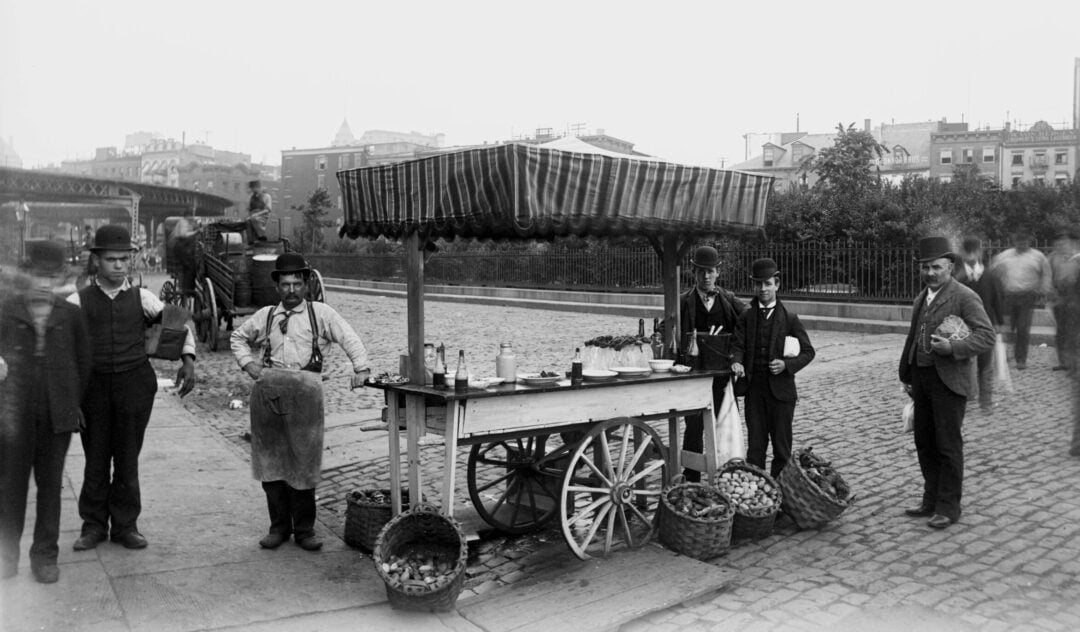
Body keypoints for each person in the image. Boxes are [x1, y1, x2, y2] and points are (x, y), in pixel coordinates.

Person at [67, 225, 197, 552]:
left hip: (134, 386)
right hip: (92, 389)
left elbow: (178, 325)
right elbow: (62, 350)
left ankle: (125, 526)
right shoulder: (77, 301)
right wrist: (72, 400)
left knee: (127, 458)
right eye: (111, 259)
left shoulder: (143, 297)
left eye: (124, 259)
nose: (119, 265)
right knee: (95, 459)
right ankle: (93, 526)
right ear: (96, 261)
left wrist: (188, 360)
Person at [229, 253, 370, 551]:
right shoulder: (266, 315)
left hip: (306, 395)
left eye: (296, 283)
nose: (291, 290)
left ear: (306, 284)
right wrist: (249, 365)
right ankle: (278, 527)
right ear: (277, 286)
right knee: (271, 464)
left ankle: (305, 530)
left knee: (304, 463)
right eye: (285, 284)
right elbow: (238, 338)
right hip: (268, 396)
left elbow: (350, 338)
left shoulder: (321, 314)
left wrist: (361, 368)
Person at [0, 241, 91, 583]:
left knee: (50, 487)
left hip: (56, 413)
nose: (43, 283)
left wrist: (68, 400)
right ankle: (6, 557)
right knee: (10, 486)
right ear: (26, 276)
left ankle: (45, 556)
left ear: (60, 279)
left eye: (50, 277)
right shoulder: (6, 309)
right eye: (37, 275)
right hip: (12, 414)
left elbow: (84, 363)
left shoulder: (71, 314)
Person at [899, 236, 995, 529]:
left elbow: (986, 336)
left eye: (936, 267)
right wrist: (907, 373)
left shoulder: (964, 296)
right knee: (924, 441)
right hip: (923, 378)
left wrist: (953, 348)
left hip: (950, 381)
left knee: (947, 444)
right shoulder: (921, 297)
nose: (930, 273)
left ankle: (949, 506)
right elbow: (913, 337)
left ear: (950, 266)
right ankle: (930, 499)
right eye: (925, 267)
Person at [730, 258, 815, 478]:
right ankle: (758, 496)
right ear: (753, 286)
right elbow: (738, 345)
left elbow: (808, 352)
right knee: (756, 447)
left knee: (781, 448)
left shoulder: (790, 319)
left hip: (781, 394)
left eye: (767, 283)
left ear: (777, 284)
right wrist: (737, 361)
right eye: (758, 284)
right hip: (754, 392)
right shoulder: (746, 316)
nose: (763, 289)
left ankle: (780, 498)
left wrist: (787, 365)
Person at [676, 245, 746, 481]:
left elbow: (747, 323)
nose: (706, 276)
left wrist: (737, 356)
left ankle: (726, 474)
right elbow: (668, 327)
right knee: (693, 425)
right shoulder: (684, 301)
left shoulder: (728, 300)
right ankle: (691, 476)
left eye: (710, 271)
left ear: (718, 272)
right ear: (693, 272)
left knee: (723, 424)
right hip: (694, 376)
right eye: (701, 271)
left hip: (721, 375)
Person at [990, 230, 1052, 370]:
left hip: (1027, 296)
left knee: (1023, 328)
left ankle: (1021, 359)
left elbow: (1046, 274)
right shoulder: (1005, 256)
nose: (1021, 244)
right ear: (1014, 241)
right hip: (1008, 296)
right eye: (1018, 241)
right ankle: (1007, 354)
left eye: (1024, 241)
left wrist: (1043, 291)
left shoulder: (1038, 256)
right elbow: (992, 270)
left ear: (1029, 241)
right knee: (1007, 328)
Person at [954, 237, 1004, 413]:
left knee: (986, 365)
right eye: (969, 253)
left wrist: (999, 322)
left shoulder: (989, 275)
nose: (973, 256)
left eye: (976, 252)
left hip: (986, 325)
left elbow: (996, 299)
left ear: (980, 253)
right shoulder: (958, 278)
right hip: (964, 326)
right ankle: (966, 396)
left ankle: (986, 402)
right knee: (965, 362)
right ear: (964, 255)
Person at [1048, 231, 1080, 371]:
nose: (1061, 245)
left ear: (1071, 243)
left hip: (1075, 299)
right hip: (1059, 299)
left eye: (1064, 242)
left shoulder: (1078, 258)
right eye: (1058, 243)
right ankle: (1063, 361)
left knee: (1073, 332)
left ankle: (1072, 362)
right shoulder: (1052, 258)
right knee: (1061, 331)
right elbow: (1047, 276)